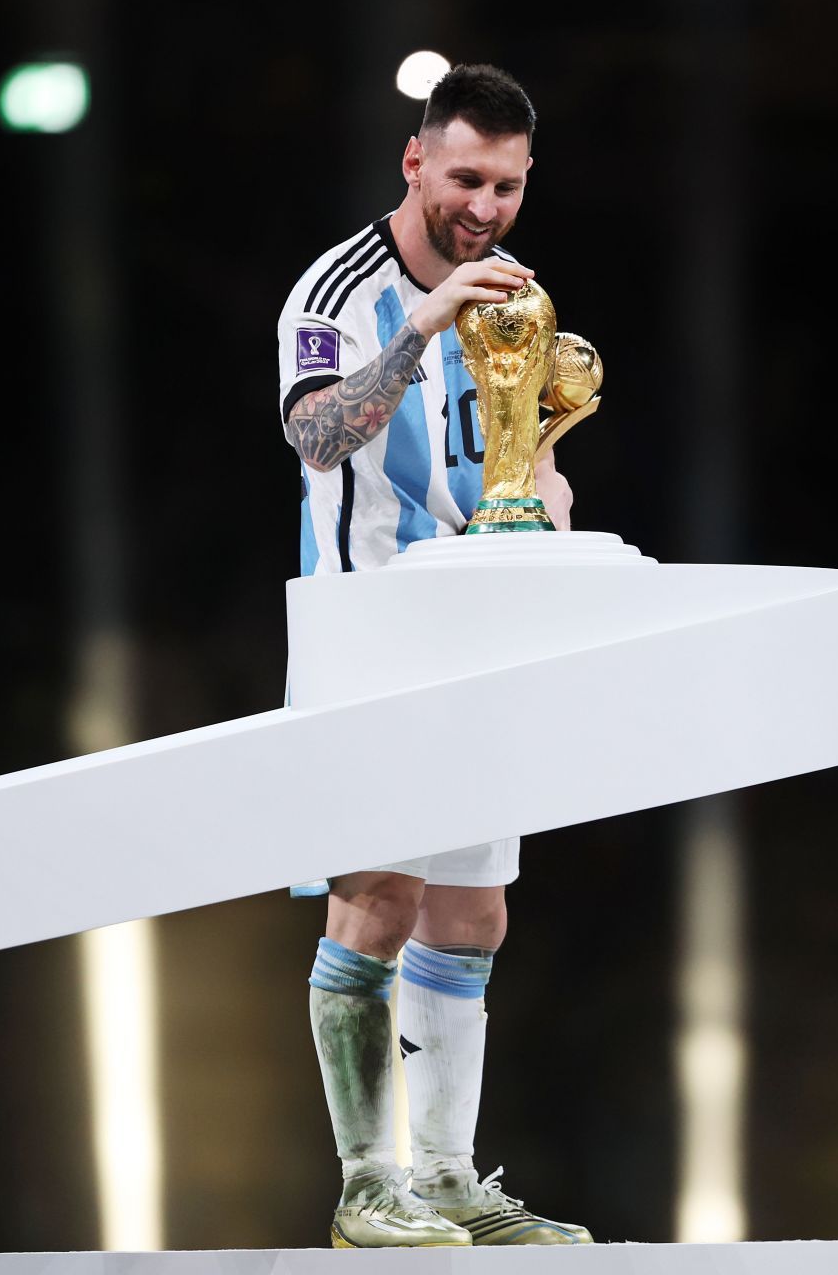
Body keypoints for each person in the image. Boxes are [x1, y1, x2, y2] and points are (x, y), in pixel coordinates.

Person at [272, 63, 589, 1249]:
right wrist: (421, 321)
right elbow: (314, 432)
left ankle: (448, 1176)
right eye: (466, 178)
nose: (486, 207)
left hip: (477, 634)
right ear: (415, 164)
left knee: (471, 911)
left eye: (506, 185)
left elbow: (527, 448)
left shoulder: (521, 296)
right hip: (370, 629)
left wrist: (548, 491)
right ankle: (367, 1185)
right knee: (378, 896)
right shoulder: (341, 289)